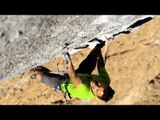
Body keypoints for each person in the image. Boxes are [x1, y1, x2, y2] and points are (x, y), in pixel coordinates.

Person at [29, 40, 114, 102]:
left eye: (96, 90)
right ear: (105, 84)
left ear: (95, 95)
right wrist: (107, 46)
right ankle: (99, 46)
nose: (95, 85)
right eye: (100, 84)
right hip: (84, 75)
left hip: (63, 83)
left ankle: (41, 72)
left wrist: (66, 56)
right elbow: (101, 65)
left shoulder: (85, 90)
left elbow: (72, 75)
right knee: (97, 51)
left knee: (34, 73)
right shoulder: (106, 80)